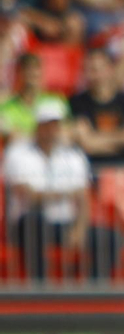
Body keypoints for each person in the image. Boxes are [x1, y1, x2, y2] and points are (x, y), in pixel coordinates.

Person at [2, 97, 97, 281]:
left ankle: (94, 294)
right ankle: (40, 286)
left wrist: (80, 227)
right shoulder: (17, 152)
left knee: (109, 237)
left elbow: (83, 197)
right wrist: (66, 193)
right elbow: (27, 194)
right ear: (38, 126)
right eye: (48, 124)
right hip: (26, 225)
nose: (52, 130)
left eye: (56, 125)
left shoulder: (73, 155)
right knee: (34, 222)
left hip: (63, 223)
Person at [69, 46, 124, 165]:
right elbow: (87, 144)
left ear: (109, 69)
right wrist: (123, 139)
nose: (91, 75)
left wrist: (98, 139)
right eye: (87, 69)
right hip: (93, 169)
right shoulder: (77, 102)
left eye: (95, 69)